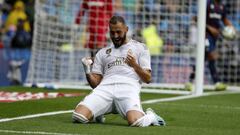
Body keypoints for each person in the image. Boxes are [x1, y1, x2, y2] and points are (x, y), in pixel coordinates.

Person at [72, 16, 165, 127]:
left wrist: (135, 65)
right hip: (105, 88)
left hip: (128, 88)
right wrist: (87, 70)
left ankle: (151, 116)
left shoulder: (141, 48)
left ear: (126, 29)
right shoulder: (102, 52)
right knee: (78, 117)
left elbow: (148, 78)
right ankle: (98, 112)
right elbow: (95, 84)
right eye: (112, 33)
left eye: (118, 32)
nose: (115, 36)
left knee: (136, 122)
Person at [187, 0, 236, 91]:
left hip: (214, 38)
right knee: (211, 56)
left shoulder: (222, 7)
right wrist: (210, 28)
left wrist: (231, 27)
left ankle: (190, 81)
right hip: (205, 35)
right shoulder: (208, 4)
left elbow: (224, 19)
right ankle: (216, 82)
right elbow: (196, 18)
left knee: (204, 59)